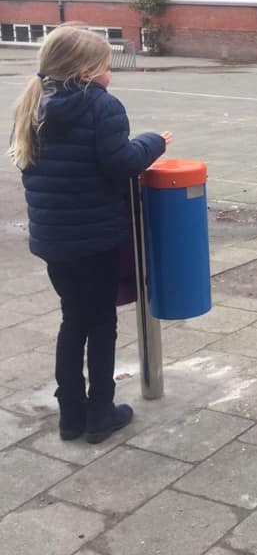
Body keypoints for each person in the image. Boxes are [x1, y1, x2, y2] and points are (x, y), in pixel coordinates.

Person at [8, 24, 171, 443]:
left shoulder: (31, 104)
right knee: (100, 324)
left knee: (72, 320)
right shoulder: (102, 106)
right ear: (86, 70)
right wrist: (154, 141)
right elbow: (121, 163)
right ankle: (100, 413)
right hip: (96, 239)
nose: (110, 73)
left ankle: (71, 416)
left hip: (53, 240)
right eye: (106, 66)